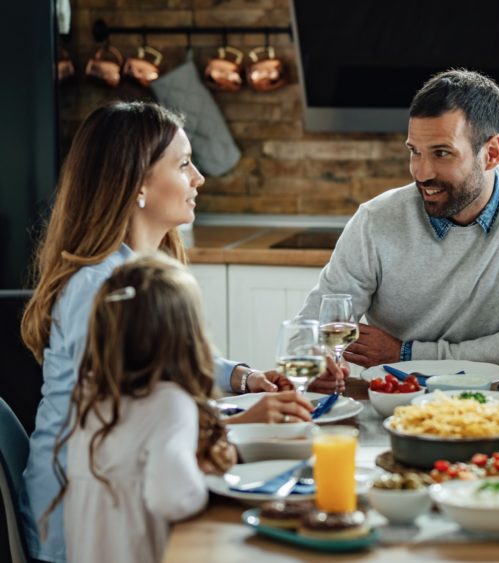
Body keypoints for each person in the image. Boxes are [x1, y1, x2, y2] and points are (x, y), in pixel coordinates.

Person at [17, 101, 321, 563]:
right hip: (82, 523)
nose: (198, 178)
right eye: (183, 164)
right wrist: (243, 421)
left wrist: (240, 377)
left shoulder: (135, 269)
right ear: (137, 182)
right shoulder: (100, 290)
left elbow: (156, 366)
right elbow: (126, 422)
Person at [296, 69, 499, 374]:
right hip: (396, 399)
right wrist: (315, 359)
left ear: (491, 153)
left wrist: (406, 353)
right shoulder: (376, 219)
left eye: (442, 153)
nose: (422, 172)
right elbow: (308, 333)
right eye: (415, 152)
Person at [44, 254, 235, 563]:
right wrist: (204, 475)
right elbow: (173, 499)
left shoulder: (90, 394)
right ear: (185, 339)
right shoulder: (170, 403)